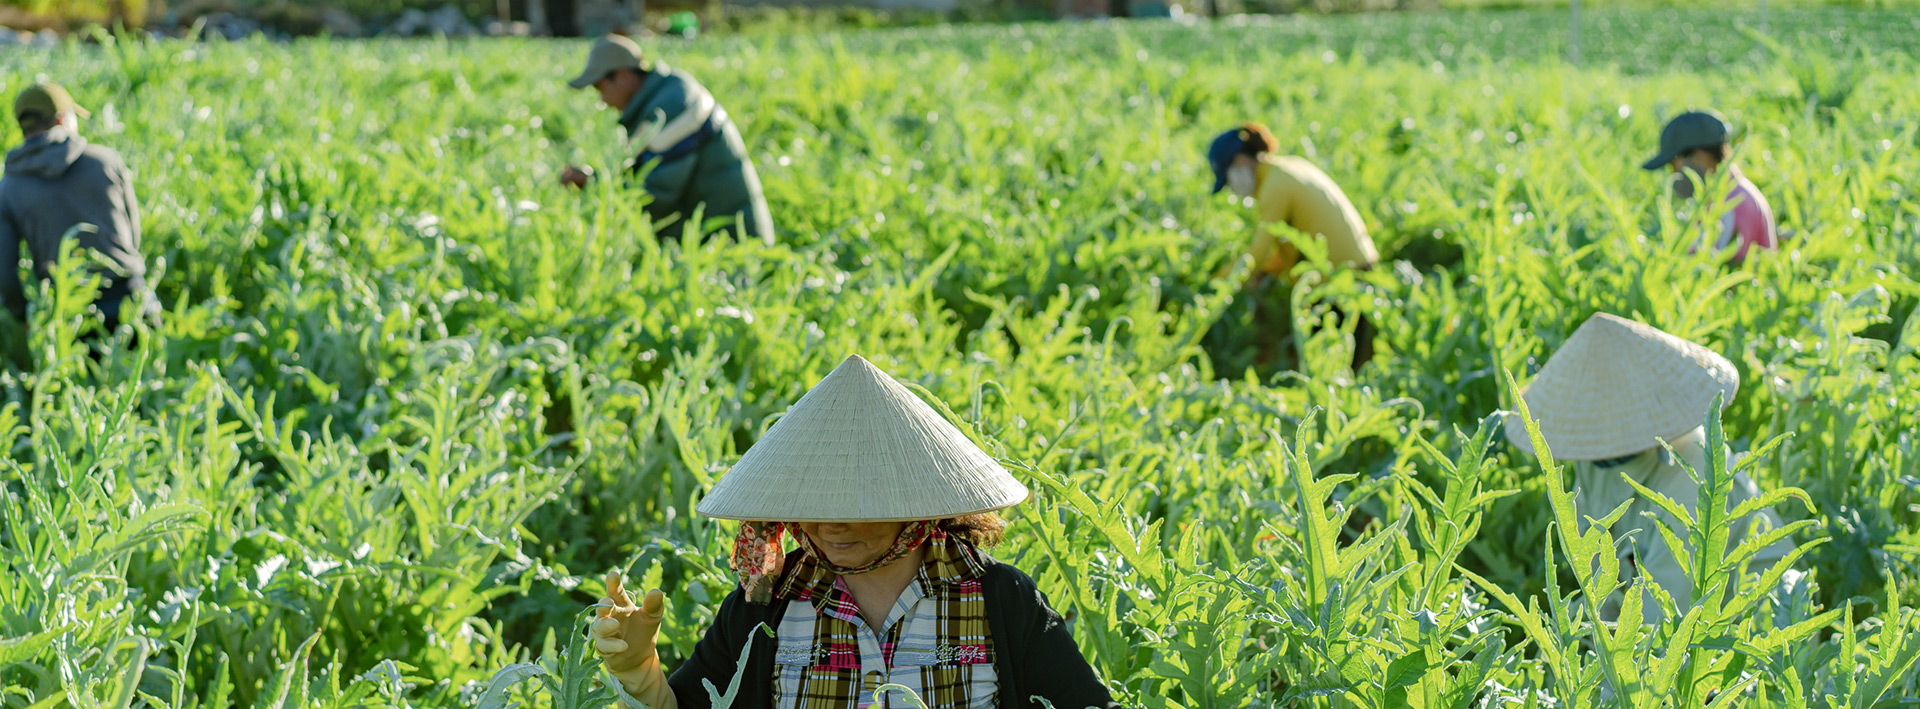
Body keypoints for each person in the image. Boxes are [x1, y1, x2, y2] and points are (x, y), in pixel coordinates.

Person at [588, 354, 1120, 709]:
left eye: (853, 503)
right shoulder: (762, 609)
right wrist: (639, 672)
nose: (829, 524)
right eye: (812, 503)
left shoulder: (1002, 601)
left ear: (914, 502)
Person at [1505, 313, 1800, 623]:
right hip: (1676, 623)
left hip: (1761, 627)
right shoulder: (1591, 461)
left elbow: (1664, 623)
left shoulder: (1695, 482)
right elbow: (1598, 582)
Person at [562, 34, 774, 245]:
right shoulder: (665, 95)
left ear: (623, 76)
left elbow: (655, 195)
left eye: (599, 88)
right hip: (719, 239)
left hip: (737, 245)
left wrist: (592, 183)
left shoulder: (670, 108)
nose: (602, 99)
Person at [1206, 122, 1381, 368]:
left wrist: (1216, 282)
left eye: (1229, 178)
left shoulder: (1274, 188)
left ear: (1240, 160)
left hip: (1335, 280)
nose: (1232, 188)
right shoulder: (1290, 167)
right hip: (1361, 268)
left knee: (1328, 367)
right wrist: (1268, 270)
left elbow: (1256, 254)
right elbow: (1289, 246)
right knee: (1351, 366)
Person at [1, 81, 154, 335]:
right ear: (62, 119)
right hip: (131, 301)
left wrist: (22, 315)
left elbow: (4, 273)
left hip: (72, 316)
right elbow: (133, 236)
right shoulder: (105, 160)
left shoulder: (8, 187)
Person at [1642, 109, 1777, 264]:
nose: (1673, 174)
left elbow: (1718, 269)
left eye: (1673, 165)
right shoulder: (1718, 198)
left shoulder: (1734, 205)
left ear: (1698, 157)